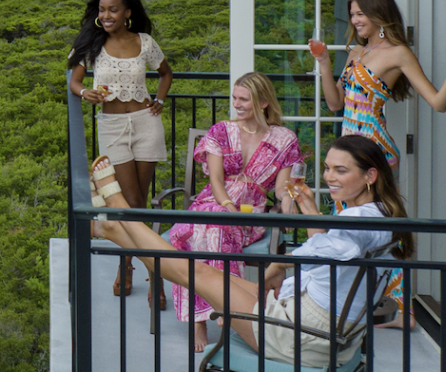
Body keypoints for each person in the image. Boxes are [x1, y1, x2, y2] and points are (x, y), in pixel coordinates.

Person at [88, 135, 414, 367]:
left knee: (193, 270)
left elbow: (336, 247)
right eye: (328, 168)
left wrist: (281, 264)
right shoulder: (382, 213)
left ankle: (119, 211)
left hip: (303, 337)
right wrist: (308, 208)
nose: (329, 176)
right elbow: (333, 249)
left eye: (340, 171)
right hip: (316, 322)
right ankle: (115, 229)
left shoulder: (361, 222)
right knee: (205, 271)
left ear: (370, 175)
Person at [165, 72, 303, 352]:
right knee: (200, 228)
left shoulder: (284, 139)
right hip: (215, 202)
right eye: (234, 98)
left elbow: (280, 188)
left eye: (244, 99)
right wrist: (227, 206)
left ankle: (207, 313)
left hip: (250, 213)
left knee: (210, 230)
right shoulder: (221, 131)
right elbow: (215, 180)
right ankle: (214, 312)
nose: (236, 104)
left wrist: (288, 207)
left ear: (263, 102)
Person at [67, 0, 174, 300]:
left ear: (128, 12)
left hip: (146, 123)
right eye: (102, 10)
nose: (106, 15)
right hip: (111, 126)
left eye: (113, 9)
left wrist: (161, 100)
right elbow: (74, 81)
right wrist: (85, 92)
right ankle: (154, 272)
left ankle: (130, 268)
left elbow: (166, 74)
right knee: (131, 205)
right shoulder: (92, 44)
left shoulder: (145, 43)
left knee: (137, 203)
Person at [308, 0, 446, 168]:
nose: (354, 20)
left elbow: (439, 103)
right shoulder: (356, 52)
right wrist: (323, 61)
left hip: (375, 152)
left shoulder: (398, 53)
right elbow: (335, 104)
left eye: (360, 14)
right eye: (352, 15)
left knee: (373, 199)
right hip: (348, 151)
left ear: (379, 15)